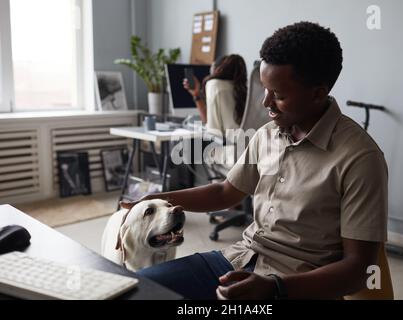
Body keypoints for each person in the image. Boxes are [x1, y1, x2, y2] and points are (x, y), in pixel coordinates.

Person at [121, 21, 388, 300]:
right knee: (135, 290)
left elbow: (361, 270)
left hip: (295, 284)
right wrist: (156, 199)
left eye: (279, 95)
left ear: (318, 93)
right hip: (239, 258)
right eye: (264, 89)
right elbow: (226, 192)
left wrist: (276, 288)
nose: (265, 103)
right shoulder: (267, 135)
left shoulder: (360, 159)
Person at [183, 54, 247, 136]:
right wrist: (196, 95)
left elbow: (213, 131)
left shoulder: (214, 85)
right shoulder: (242, 89)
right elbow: (209, 120)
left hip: (226, 145)